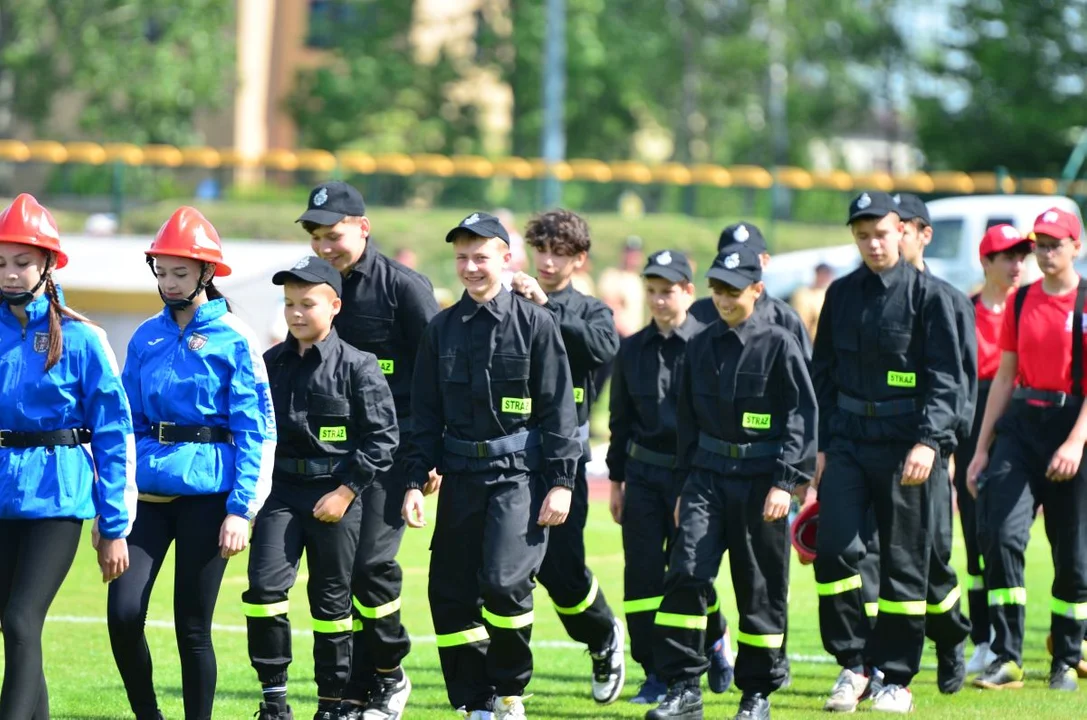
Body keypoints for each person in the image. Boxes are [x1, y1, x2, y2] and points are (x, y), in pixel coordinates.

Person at [402, 212, 580, 719]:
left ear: (506, 258)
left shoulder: (537, 324)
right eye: (462, 257)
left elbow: (558, 409)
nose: (471, 267)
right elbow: (426, 414)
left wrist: (562, 482)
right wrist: (416, 479)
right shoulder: (441, 330)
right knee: (450, 592)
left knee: (505, 583)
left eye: (481, 256)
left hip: (517, 478)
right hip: (459, 479)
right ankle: (475, 700)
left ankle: (508, 689)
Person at [109, 207, 277, 720]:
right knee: (123, 614)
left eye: (180, 272)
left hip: (210, 499)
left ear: (207, 273)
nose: (169, 281)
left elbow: (258, 430)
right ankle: (148, 716)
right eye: (161, 271)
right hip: (149, 497)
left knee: (193, 627)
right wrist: (113, 502)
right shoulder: (144, 337)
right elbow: (124, 423)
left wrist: (240, 510)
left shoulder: (237, 337)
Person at [646, 243, 816, 720]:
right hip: (706, 478)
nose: (722, 299)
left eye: (733, 290)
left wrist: (786, 482)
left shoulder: (780, 343)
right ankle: (684, 689)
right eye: (717, 289)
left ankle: (756, 693)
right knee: (685, 573)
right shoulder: (699, 344)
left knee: (758, 587)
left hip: (763, 481)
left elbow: (802, 417)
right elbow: (686, 423)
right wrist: (682, 487)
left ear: (757, 290)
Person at [812, 191, 964, 713]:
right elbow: (823, 374)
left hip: (907, 447)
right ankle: (852, 664)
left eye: (881, 233)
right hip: (850, 443)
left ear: (901, 230)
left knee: (904, 566)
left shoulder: (929, 297)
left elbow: (947, 381)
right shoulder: (840, 294)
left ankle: (895, 678)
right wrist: (824, 446)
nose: (873, 243)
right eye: (862, 235)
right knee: (833, 552)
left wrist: (929, 441)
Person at [298, 181, 439, 720]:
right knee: (338, 575)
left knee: (372, 566)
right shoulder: (313, 284)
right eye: (316, 236)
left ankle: (391, 671)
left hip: (394, 450)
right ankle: (363, 687)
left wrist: (430, 458)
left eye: (333, 235)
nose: (324, 246)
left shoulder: (405, 288)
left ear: (363, 227)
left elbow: (438, 376)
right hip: (331, 455)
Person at [245, 256, 399, 720]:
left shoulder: (359, 366)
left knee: (331, 603)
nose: (295, 312)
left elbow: (383, 438)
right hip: (282, 494)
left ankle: (331, 704)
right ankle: (273, 701)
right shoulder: (269, 364)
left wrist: (346, 492)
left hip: (336, 496)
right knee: (263, 591)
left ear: (334, 305)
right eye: (288, 303)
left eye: (306, 303)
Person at [0, 193, 136, 719]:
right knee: (12, 623)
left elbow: (113, 432)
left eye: (23, 262)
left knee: (19, 619)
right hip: (3, 492)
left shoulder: (82, 338)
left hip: (56, 495)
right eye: (2, 263)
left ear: (49, 264)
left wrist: (115, 523)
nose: (10, 274)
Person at [967, 207, 1087, 692]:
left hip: (1073, 425)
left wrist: (1077, 441)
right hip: (1023, 426)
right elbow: (1003, 376)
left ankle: (1067, 655)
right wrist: (981, 450)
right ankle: (1007, 655)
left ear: (1076, 246)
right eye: (1040, 243)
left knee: (1074, 555)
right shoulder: (1021, 303)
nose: (1044, 252)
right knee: (1001, 533)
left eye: (1055, 243)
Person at [607, 249, 733, 706]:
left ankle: (715, 639)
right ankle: (656, 674)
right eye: (653, 292)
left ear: (688, 292)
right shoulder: (632, 348)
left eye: (669, 292)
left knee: (687, 573)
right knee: (641, 579)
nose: (659, 301)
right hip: (641, 475)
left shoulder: (709, 344)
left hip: (694, 478)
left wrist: (702, 484)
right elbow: (619, 420)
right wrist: (617, 482)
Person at [509, 209, 624, 704]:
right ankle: (503, 681)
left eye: (560, 253)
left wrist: (547, 309)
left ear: (579, 260)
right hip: (510, 455)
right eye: (543, 250)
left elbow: (603, 348)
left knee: (562, 571)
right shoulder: (507, 300)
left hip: (564, 457)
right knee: (499, 565)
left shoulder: (591, 310)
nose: (549, 261)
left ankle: (602, 638)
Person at [955, 224, 1033, 675]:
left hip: (1017, 419)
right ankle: (982, 638)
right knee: (975, 538)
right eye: (1007, 256)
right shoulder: (964, 311)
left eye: (1022, 255)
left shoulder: (1028, 307)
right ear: (986, 263)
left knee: (1004, 535)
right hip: (974, 420)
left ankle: (1009, 642)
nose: (1017, 264)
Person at [689, 223, 811, 360]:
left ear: (765, 261)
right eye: (731, 256)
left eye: (749, 255)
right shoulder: (700, 313)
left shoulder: (785, 318)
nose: (740, 260)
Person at [789, 263, 833, 341]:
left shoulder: (832, 292)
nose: (825, 277)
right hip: (813, 343)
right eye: (823, 274)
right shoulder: (804, 294)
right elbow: (801, 324)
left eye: (827, 274)